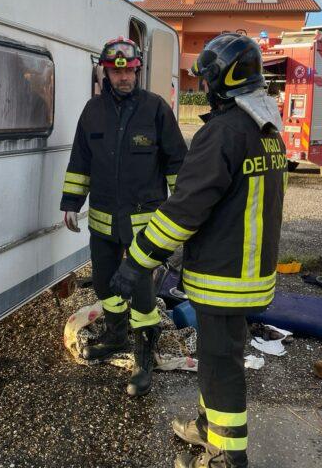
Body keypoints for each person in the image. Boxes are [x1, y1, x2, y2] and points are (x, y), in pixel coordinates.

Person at [111, 34, 287, 467]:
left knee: (221, 364)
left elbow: (183, 212)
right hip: (249, 272)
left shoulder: (222, 134)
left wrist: (137, 261)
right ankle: (209, 429)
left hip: (224, 276)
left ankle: (227, 455)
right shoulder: (265, 130)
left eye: (206, 79)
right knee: (213, 356)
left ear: (224, 81)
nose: (203, 86)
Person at [60, 36, 187, 397]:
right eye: (117, 73)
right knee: (104, 284)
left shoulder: (156, 109)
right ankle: (116, 335)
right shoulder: (92, 111)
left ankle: (144, 357)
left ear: (138, 70)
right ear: (105, 72)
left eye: (129, 71)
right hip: (102, 222)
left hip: (144, 226)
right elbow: (79, 162)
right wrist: (71, 202)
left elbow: (177, 160)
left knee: (142, 292)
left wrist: (183, 206)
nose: (124, 78)